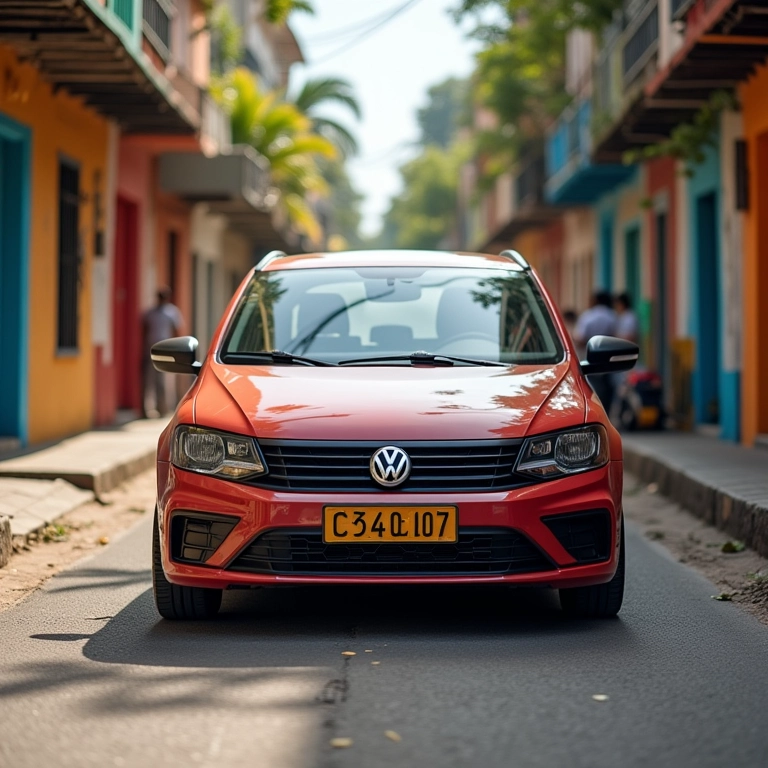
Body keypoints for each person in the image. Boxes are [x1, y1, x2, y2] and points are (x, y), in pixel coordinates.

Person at [574, 290, 617, 413]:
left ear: (595, 301)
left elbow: (580, 338)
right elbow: (616, 335)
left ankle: (595, 412)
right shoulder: (612, 316)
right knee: (607, 388)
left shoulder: (587, 316)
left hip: (590, 358)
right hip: (609, 358)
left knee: (591, 387)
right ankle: (606, 413)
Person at [143, 287, 184, 418]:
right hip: (151, 347)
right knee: (148, 378)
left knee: (163, 380)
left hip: (165, 348)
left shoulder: (172, 312)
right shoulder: (150, 313)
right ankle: (146, 409)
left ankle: (163, 408)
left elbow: (177, 330)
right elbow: (144, 329)